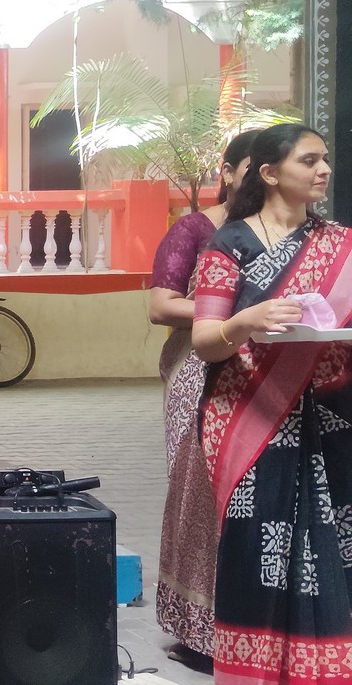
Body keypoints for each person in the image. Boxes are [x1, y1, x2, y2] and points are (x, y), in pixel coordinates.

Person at [189, 123, 349, 685]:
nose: (323, 170)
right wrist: (246, 320)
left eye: (325, 159)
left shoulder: (341, 245)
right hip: (247, 417)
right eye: (309, 160)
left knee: (335, 546)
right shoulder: (228, 246)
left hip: (332, 416)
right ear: (270, 173)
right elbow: (205, 341)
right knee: (256, 547)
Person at [148, 128, 260, 668]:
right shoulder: (196, 229)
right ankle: (197, 628)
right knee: (200, 491)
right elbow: (160, 306)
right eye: (254, 168)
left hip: (270, 370)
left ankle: (254, 624)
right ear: (228, 172)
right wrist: (232, 311)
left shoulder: (297, 235)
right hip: (198, 367)